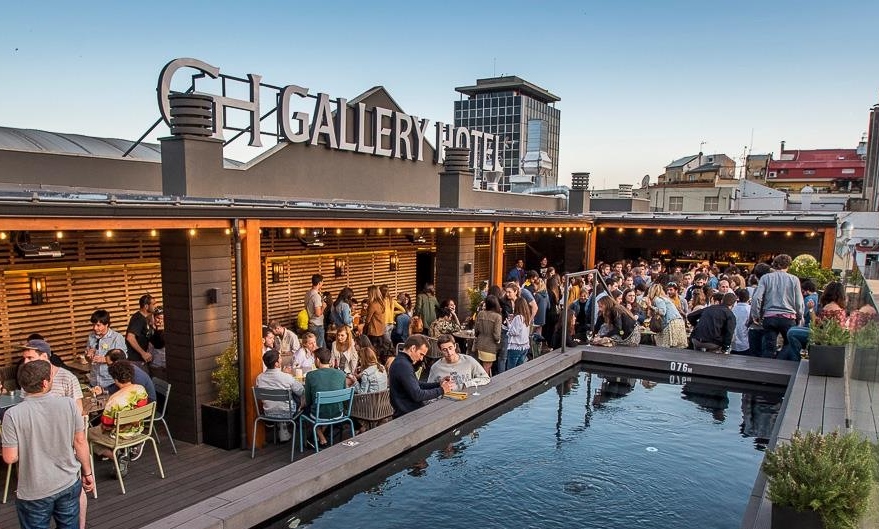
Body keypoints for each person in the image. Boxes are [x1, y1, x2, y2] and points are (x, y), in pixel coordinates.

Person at [2, 360, 94, 529]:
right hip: (68, 482)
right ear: (45, 383)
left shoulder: (12, 415)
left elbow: (10, 457)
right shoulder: (68, 404)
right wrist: (87, 473)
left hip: (34, 490)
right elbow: (80, 442)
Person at [89, 361, 149, 477]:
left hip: (118, 436)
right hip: (138, 430)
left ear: (115, 378)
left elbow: (106, 426)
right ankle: (120, 455)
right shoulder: (140, 389)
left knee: (87, 434)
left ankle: (115, 456)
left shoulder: (114, 400)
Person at [750, 254, 804, 358]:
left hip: (770, 317)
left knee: (769, 347)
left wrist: (755, 314)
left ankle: (767, 370)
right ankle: (783, 364)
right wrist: (799, 316)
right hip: (788, 317)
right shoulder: (794, 279)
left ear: (775, 264)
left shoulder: (766, 278)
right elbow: (799, 302)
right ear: (788, 265)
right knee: (789, 345)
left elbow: (757, 298)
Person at [388, 335, 454, 417]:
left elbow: (417, 384)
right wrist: (442, 390)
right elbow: (418, 395)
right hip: (408, 416)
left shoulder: (402, 362)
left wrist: (438, 384)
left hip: (408, 413)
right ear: (413, 348)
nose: (421, 359)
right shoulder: (403, 365)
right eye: (421, 354)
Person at [300, 348, 346, 447]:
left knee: (306, 410)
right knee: (324, 407)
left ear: (317, 360)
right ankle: (319, 436)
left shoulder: (310, 375)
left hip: (320, 414)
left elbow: (308, 400)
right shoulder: (341, 374)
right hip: (338, 412)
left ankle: (321, 438)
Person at [255, 350, 304, 443]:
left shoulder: (259, 378)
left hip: (268, 412)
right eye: (280, 358)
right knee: (297, 397)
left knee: (283, 399)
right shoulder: (286, 377)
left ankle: (282, 429)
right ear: (277, 363)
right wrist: (288, 375)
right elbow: (301, 391)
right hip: (287, 412)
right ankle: (298, 433)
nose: (282, 359)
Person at [92, 349, 156, 403]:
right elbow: (119, 386)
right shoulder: (127, 369)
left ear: (117, 362)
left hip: (146, 407)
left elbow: (134, 398)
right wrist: (103, 390)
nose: (108, 367)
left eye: (109, 365)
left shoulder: (136, 377)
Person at [85, 309, 126, 389]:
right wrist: (88, 356)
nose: (95, 328)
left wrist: (104, 359)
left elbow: (123, 359)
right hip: (94, 382)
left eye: (98, 325)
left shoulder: (117, 337)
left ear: (106, 324)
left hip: (111, 382)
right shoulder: (91, 337)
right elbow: (88, 359)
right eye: (93, 325)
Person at [647, 283, 688, 348]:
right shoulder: (665, 299)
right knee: (676, 349)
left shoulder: (658, 299)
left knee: (665, 347)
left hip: (671, 323)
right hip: (678, 322)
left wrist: (651, 307)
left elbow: (662, 311)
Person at [125, 294, 155, 371]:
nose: (155, 306)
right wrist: (143, 353)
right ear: (146, 306)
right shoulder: (138, 319)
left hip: (143, 360)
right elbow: (130, 337)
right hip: (136, 360)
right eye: (153, 304)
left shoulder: (146, 318)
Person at [474, 295, 503, 375]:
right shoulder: (498, 317)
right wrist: (498, 341)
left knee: (481, 367)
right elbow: (496, 335)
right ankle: (485, 386)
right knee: (486, 369)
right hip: (490, 346)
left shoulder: (480, 314)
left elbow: (476, 329)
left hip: (480, 344)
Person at [506, 297, 533, 371]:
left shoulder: (518, 317)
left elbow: (514, 332)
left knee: (511, 369)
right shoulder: (527, 316)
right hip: (524, 346)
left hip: (516, 346)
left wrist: (509, 325)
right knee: (519, 369)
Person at [304, 274, 327, 348]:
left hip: (311, 323)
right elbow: (318, 313)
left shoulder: (308, 293)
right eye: (322, 282)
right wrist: (323, 307)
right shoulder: (316, 296)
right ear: (319, 283)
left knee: (323, 347)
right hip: (317, 325)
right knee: (318, 348)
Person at [730, 288, 752, 355]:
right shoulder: (749, 309)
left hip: (734, 343)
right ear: (748, 298)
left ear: (738, 297)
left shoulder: (733, 309)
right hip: (745, 343)